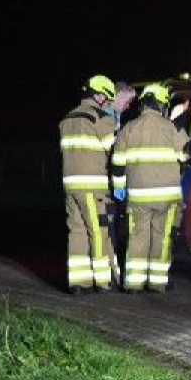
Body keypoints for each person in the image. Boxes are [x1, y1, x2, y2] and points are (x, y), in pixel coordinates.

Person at [110, 84, 188, 291]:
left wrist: (120, 190)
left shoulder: (128, 128)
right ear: (162, 104)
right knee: (161, 238)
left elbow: (117, 164)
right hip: (167, 197)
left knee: (138, 236)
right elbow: (185, 155)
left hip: (138, 197)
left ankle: (134, 283)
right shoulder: (173, 128)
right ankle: (157, 282)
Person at [59, 75, 121, 292]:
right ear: (100, 96)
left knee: (76, 231)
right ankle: (102, 281)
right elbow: (114, 152)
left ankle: (78, 282)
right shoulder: (99, 118)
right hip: (92, 186)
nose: (110, 104)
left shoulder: (67, 119)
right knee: (98, 231)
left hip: (70, 185)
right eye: (109, 99)